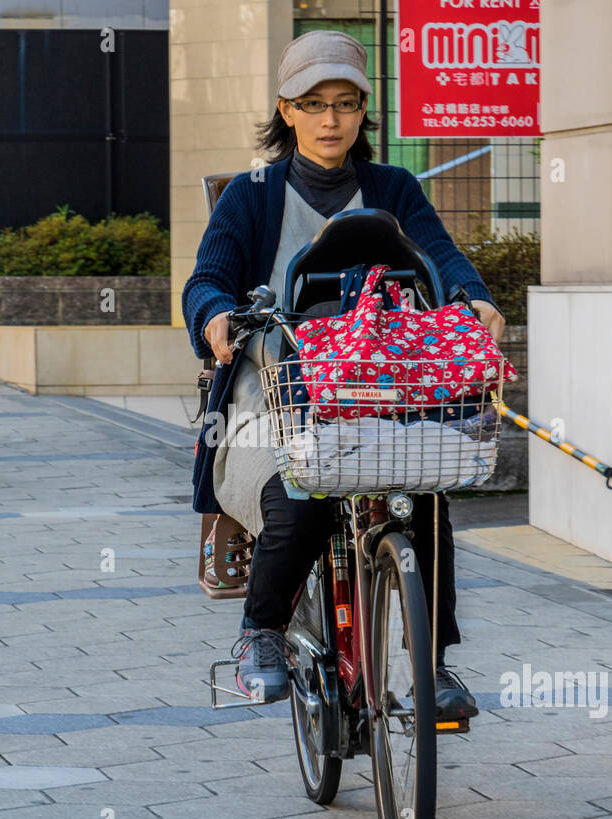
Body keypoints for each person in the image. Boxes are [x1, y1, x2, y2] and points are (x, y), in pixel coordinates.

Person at [183, 30, 507, 721]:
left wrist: (472, 297)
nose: (331, 120)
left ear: (364, 111)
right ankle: (261, 632)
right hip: (271, 394)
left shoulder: (394, 187)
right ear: (286, 110)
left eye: (346, 103)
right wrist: (214, 317)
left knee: (423, 490)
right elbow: (207, 281)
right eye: (314, 103)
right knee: (299, 494)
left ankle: (434, 662)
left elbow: (443, 260)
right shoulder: (251, 194)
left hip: (380, 391)